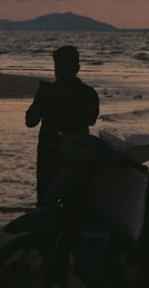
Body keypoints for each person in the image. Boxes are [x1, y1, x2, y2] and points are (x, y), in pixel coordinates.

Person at [25, 45, 100, 204]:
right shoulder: (88, 93)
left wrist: (40, 97)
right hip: (77, 153)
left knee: (45, 200)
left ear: (56, 68)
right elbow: (91, 120)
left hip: (49, 152)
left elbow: (30, 121)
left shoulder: (47, 92)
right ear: (77, 68)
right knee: (75, 202)